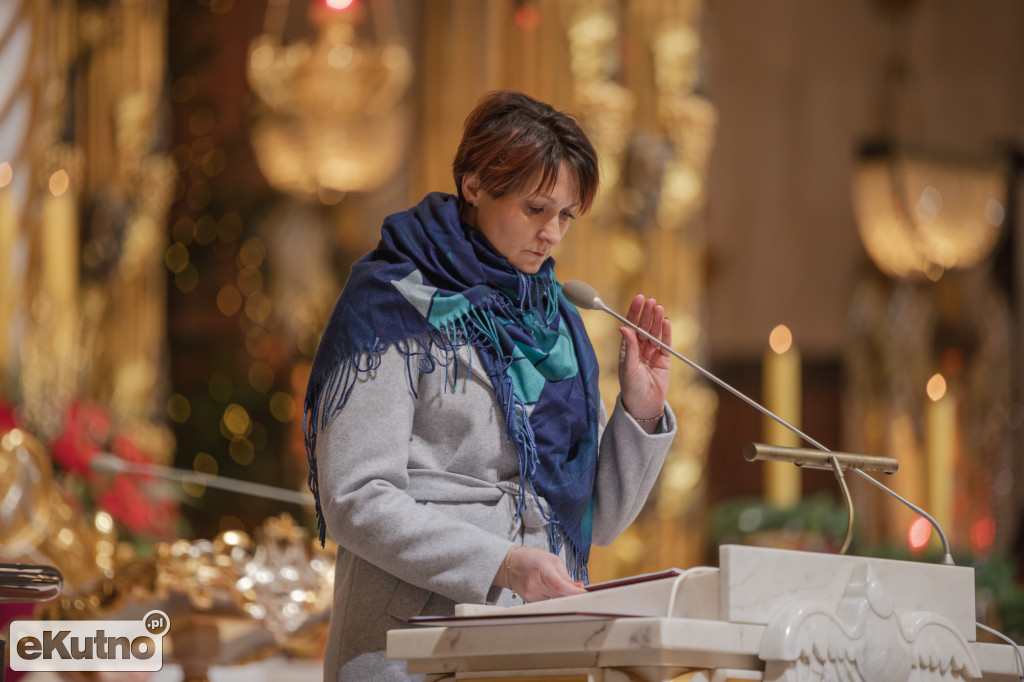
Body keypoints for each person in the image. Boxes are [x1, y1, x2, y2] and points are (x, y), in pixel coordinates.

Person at [304, 90, 676, 681]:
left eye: (566, 216)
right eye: (535, 209)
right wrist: (501, 563)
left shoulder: (559, 327)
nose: (552, 233)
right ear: (474, 184)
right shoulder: (394, 302)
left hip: (531, 649)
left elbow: (595, 522)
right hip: (407, 646)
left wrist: (641, 412)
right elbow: (355, 497)